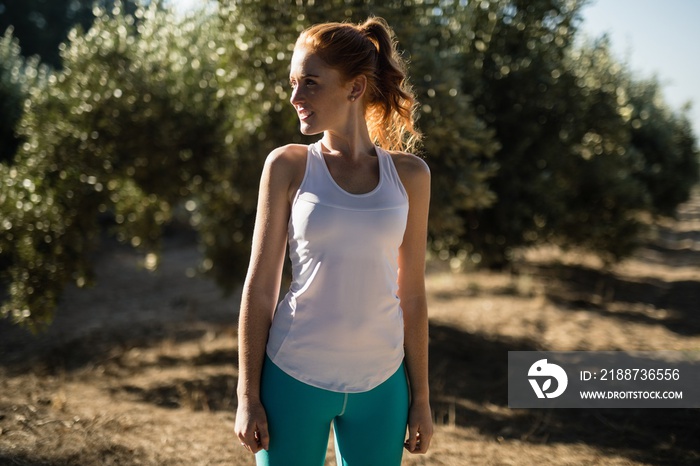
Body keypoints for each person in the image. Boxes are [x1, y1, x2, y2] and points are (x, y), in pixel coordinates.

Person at [234, 16, 433, 466]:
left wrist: (419, 397)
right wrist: (248, 394)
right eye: (292, 83)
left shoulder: (410, 176)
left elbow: (414, 294)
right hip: (292, 377)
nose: (295, 98)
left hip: (382, 384)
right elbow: (260, 287)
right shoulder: (288, 166)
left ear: (355, 88)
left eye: (309, 83)